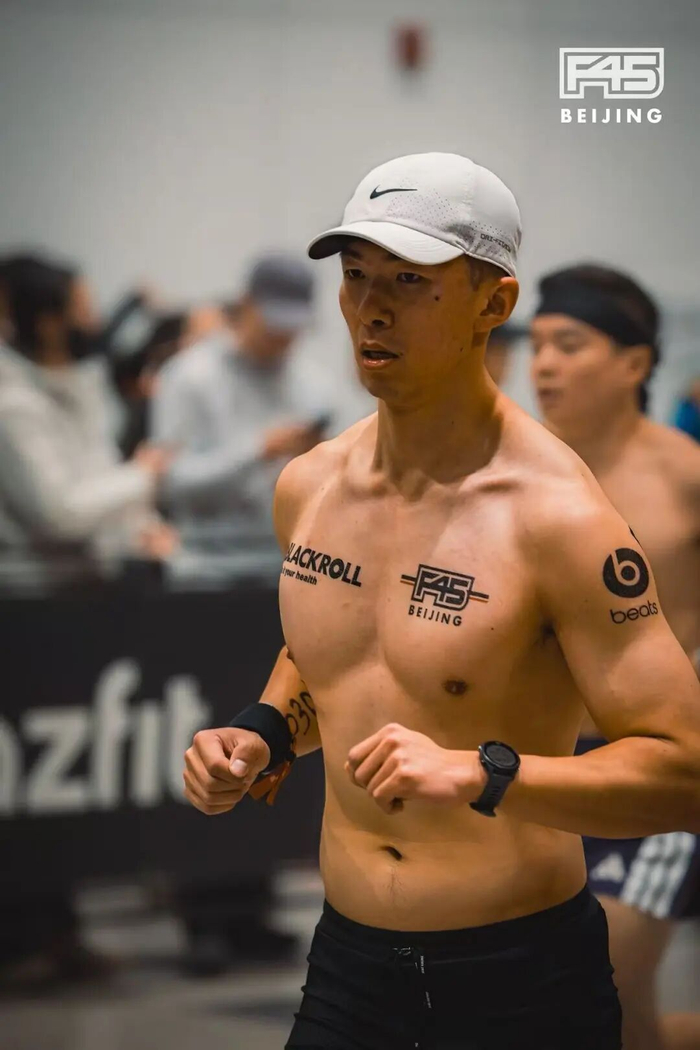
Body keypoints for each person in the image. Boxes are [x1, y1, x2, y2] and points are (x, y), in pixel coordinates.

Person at [183, 153, 700, 1050]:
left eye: (410, 282)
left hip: (524, 980)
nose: (371, 309)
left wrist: (486, 773)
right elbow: (328, 656)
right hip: (347, 969)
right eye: (356, 277)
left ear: (493, 304)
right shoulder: (309, 487)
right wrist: (263, 733)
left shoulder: (560, 519)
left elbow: (685, 771)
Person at [530, 263, 700, 1050]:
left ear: (634, 363)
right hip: (544, 768)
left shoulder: (684, 477)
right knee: (582, 1014)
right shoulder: (517, 473)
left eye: (569, 345)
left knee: (609, 975)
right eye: (537, 345)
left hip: (656, 776)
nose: (544, 365)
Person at [151, 253, 332, 590]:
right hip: (205, 571)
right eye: (275, 323)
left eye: (293, 327)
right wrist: (260, 450)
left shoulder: (314, 385)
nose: (283, 336)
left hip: (287, 570)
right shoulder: (189, 377)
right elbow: (172, 485)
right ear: (247, 305)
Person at [0, 254, 170, 595]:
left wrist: (142, 529)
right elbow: (59, 516)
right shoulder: (12, 404)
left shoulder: (81, 381)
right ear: (48, 324)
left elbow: (101, 476)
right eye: (82, 311)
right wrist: (142, 475)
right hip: (32, 594)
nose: (95, 323)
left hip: (90, 579)